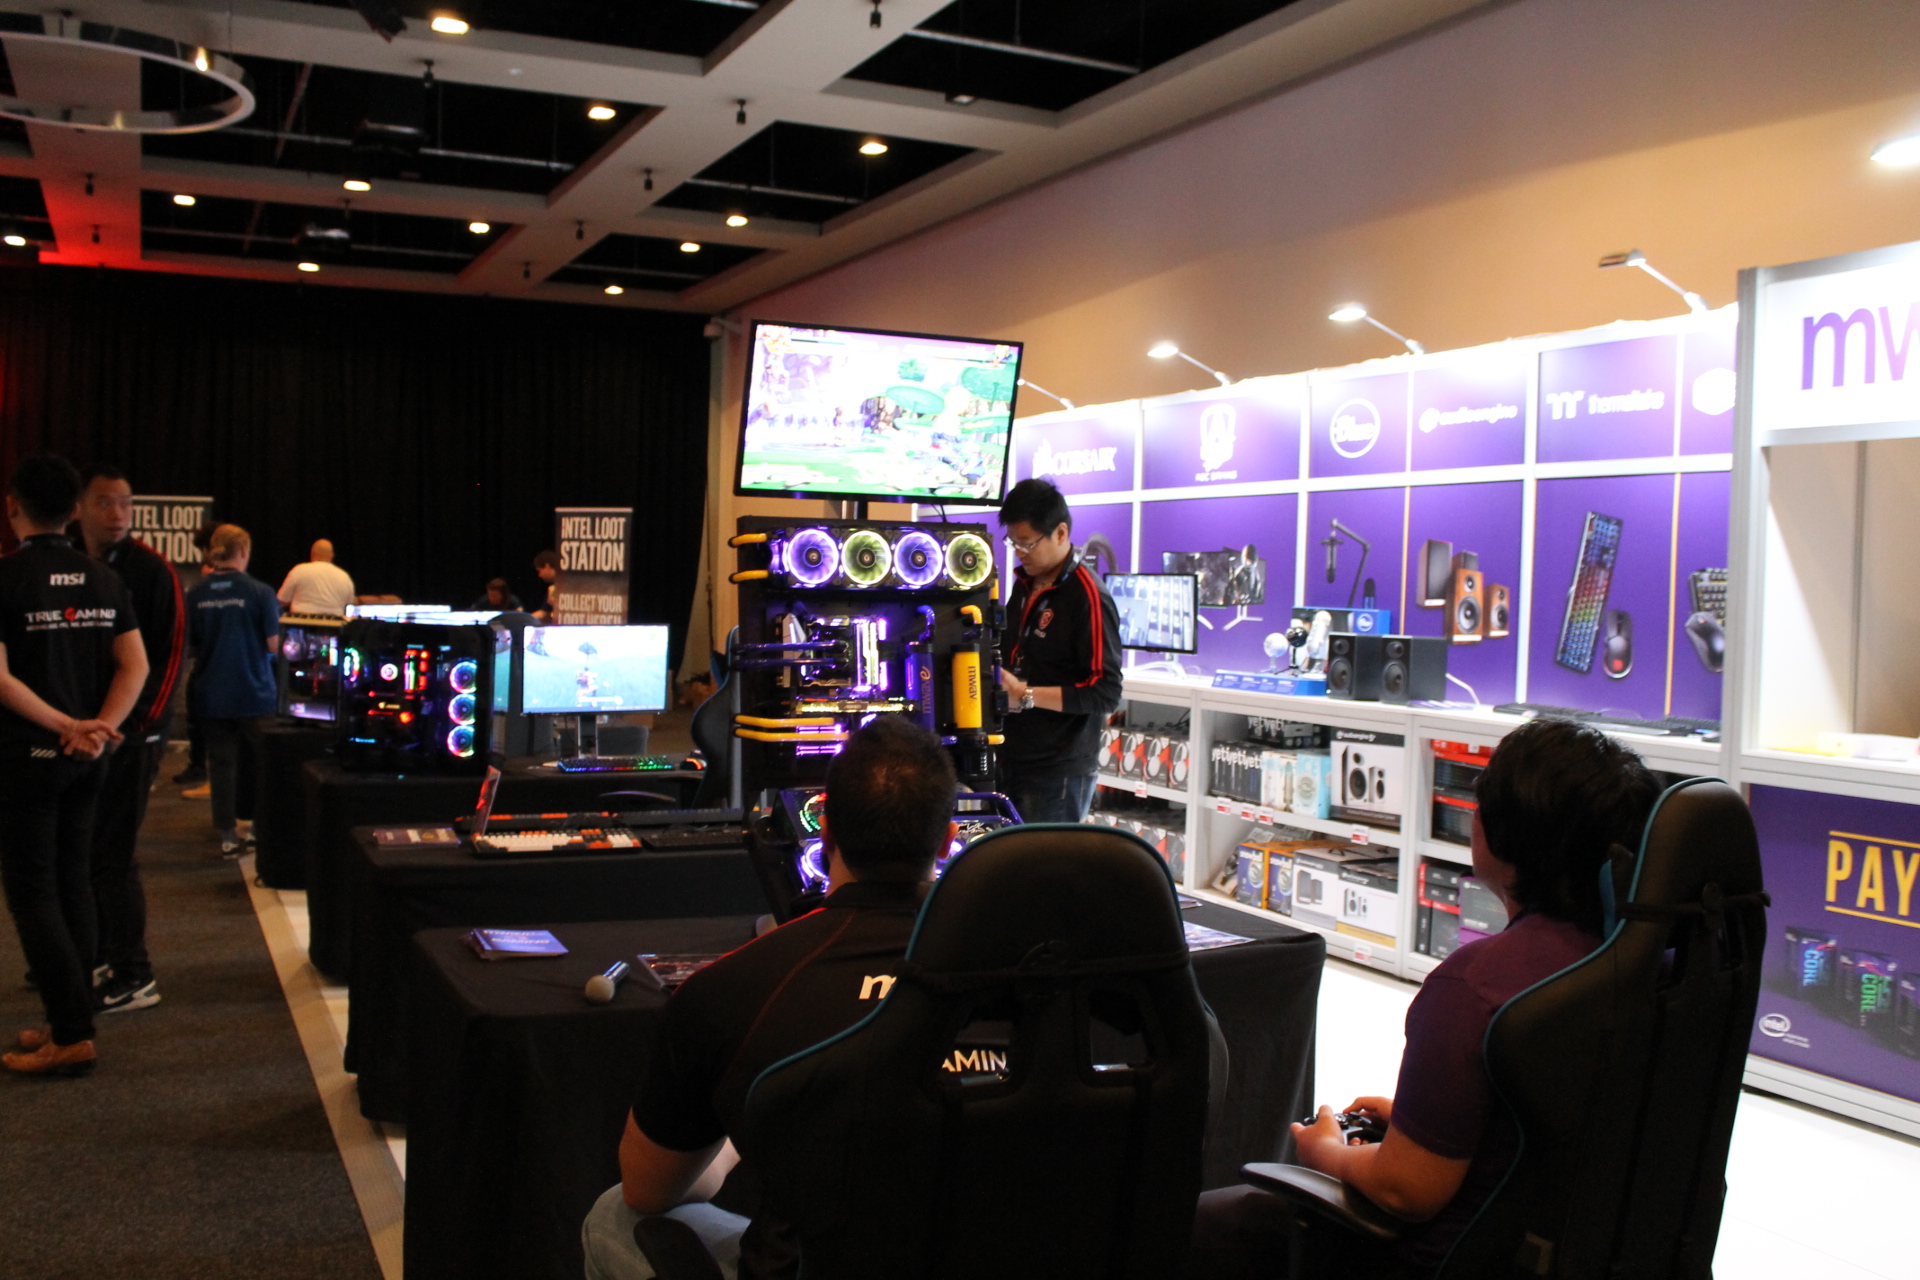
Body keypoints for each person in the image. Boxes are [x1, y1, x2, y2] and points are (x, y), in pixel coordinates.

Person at [1188, 718, 1659, 1279]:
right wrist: (1424, 1124)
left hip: (1437, 1258)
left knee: (1199, 1225)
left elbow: (1404, 1189)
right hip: (1569, 1251)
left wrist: (1326, 1152)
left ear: (1501, 834)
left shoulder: (1475, 987)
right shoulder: (1647, 964)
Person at [581, 717, 961, 1280]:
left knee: (613, 1215)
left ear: (824, 831)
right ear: (949, 839)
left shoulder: (733, 988)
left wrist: (745, 1131)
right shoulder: (1026, 979)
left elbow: (648, 1190)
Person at [0, 454, 149, 1077]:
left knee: (35, 893)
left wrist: (67, 726)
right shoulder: (103, 578)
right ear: (72, 511)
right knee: (74, 883)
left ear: (14, 508)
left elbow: (0, 679)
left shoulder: (6, 579)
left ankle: (71, 1032)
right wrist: (100, 729)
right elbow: (135, 665)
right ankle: (72, 1015)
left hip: (29, 758)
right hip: (88, 759)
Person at [75, 465, 185, 1014]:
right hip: (80, 733)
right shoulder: (71, 565)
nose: (117, 514)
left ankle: (132, 973)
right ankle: (93, 954)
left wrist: (137, 726)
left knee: (113, 853)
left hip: (132, 737)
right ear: (79, 507)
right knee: (83, 849)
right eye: (105, 503)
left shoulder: (152, 570)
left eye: (124, 503)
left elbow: (169, 655)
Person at [996, 477, 1122, 824]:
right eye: (1013, 543)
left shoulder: (1088, 596)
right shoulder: (1024, 585)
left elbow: (1106, 691)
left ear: (1061, 533)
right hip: (1012, 756)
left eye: (1027, 543)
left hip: (1057, 772)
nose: (1019, 552)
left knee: (1044, 860)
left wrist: (1026, 695)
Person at [186, 525, 280, 857]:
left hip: (212, 692)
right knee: (262, 763)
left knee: (221, 764)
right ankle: (256, 830)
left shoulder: (196, 594)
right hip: (255, 692)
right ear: (243, 551)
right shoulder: (260, 592)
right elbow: (274, 644)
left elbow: (190, 646)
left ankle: (227, 836)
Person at [276, 538, 355, 616]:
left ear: (312, 554)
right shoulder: (344, 577)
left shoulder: (299, 571)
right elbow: (349, 603)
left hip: (301, 621)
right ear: (332, 556)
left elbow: (282, 600)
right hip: (335, 622)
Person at [532, 549, 560, 621]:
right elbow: (544, 612)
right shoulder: (552, 589)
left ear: (547, 566)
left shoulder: (568, 584)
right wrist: (525, 618)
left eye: (539, 571)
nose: (539, 575)